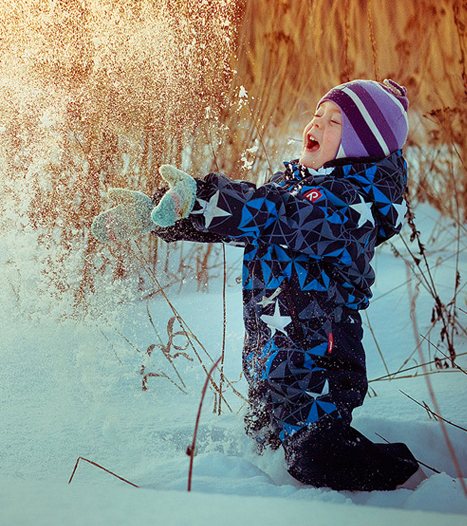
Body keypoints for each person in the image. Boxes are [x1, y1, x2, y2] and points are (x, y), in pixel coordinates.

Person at [93, 79, 421, 491]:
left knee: (317, 457)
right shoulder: (295, 187)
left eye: (335, 121)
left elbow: (274, 215)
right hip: (271, 366)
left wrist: (204, 197)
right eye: (317, 114)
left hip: (319, 371)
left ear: (361, 146)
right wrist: (171, 214)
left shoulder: (350, 210)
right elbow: (249, 220)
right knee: (264, 448)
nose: (317, 124)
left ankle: (416, 483)